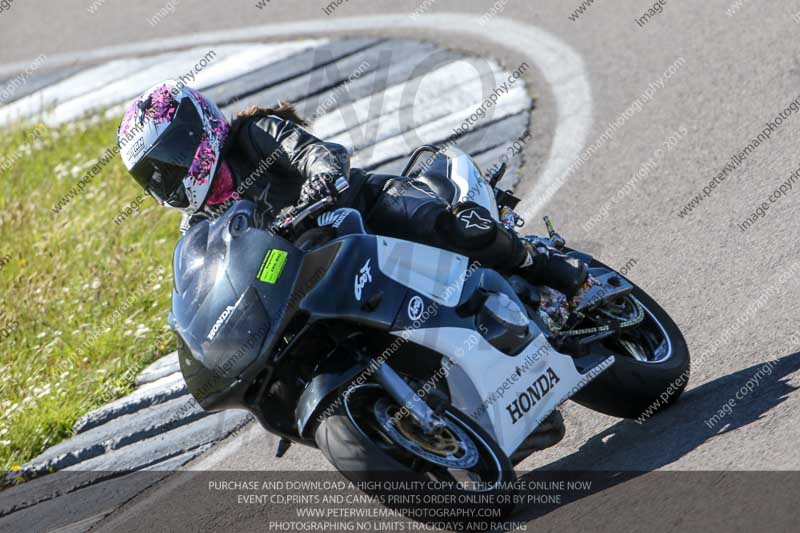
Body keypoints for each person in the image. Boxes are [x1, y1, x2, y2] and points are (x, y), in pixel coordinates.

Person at [117, 80, 587, 297]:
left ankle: (541, 263)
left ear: (196, 125)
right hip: (313, 273)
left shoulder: (252, 134)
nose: (168, 176)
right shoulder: (197, 223)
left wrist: (320, 177)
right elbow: (204, 278)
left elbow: (312, 153)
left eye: (171, 156)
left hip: (362, 208)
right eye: (153, 172)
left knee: (449, 228)